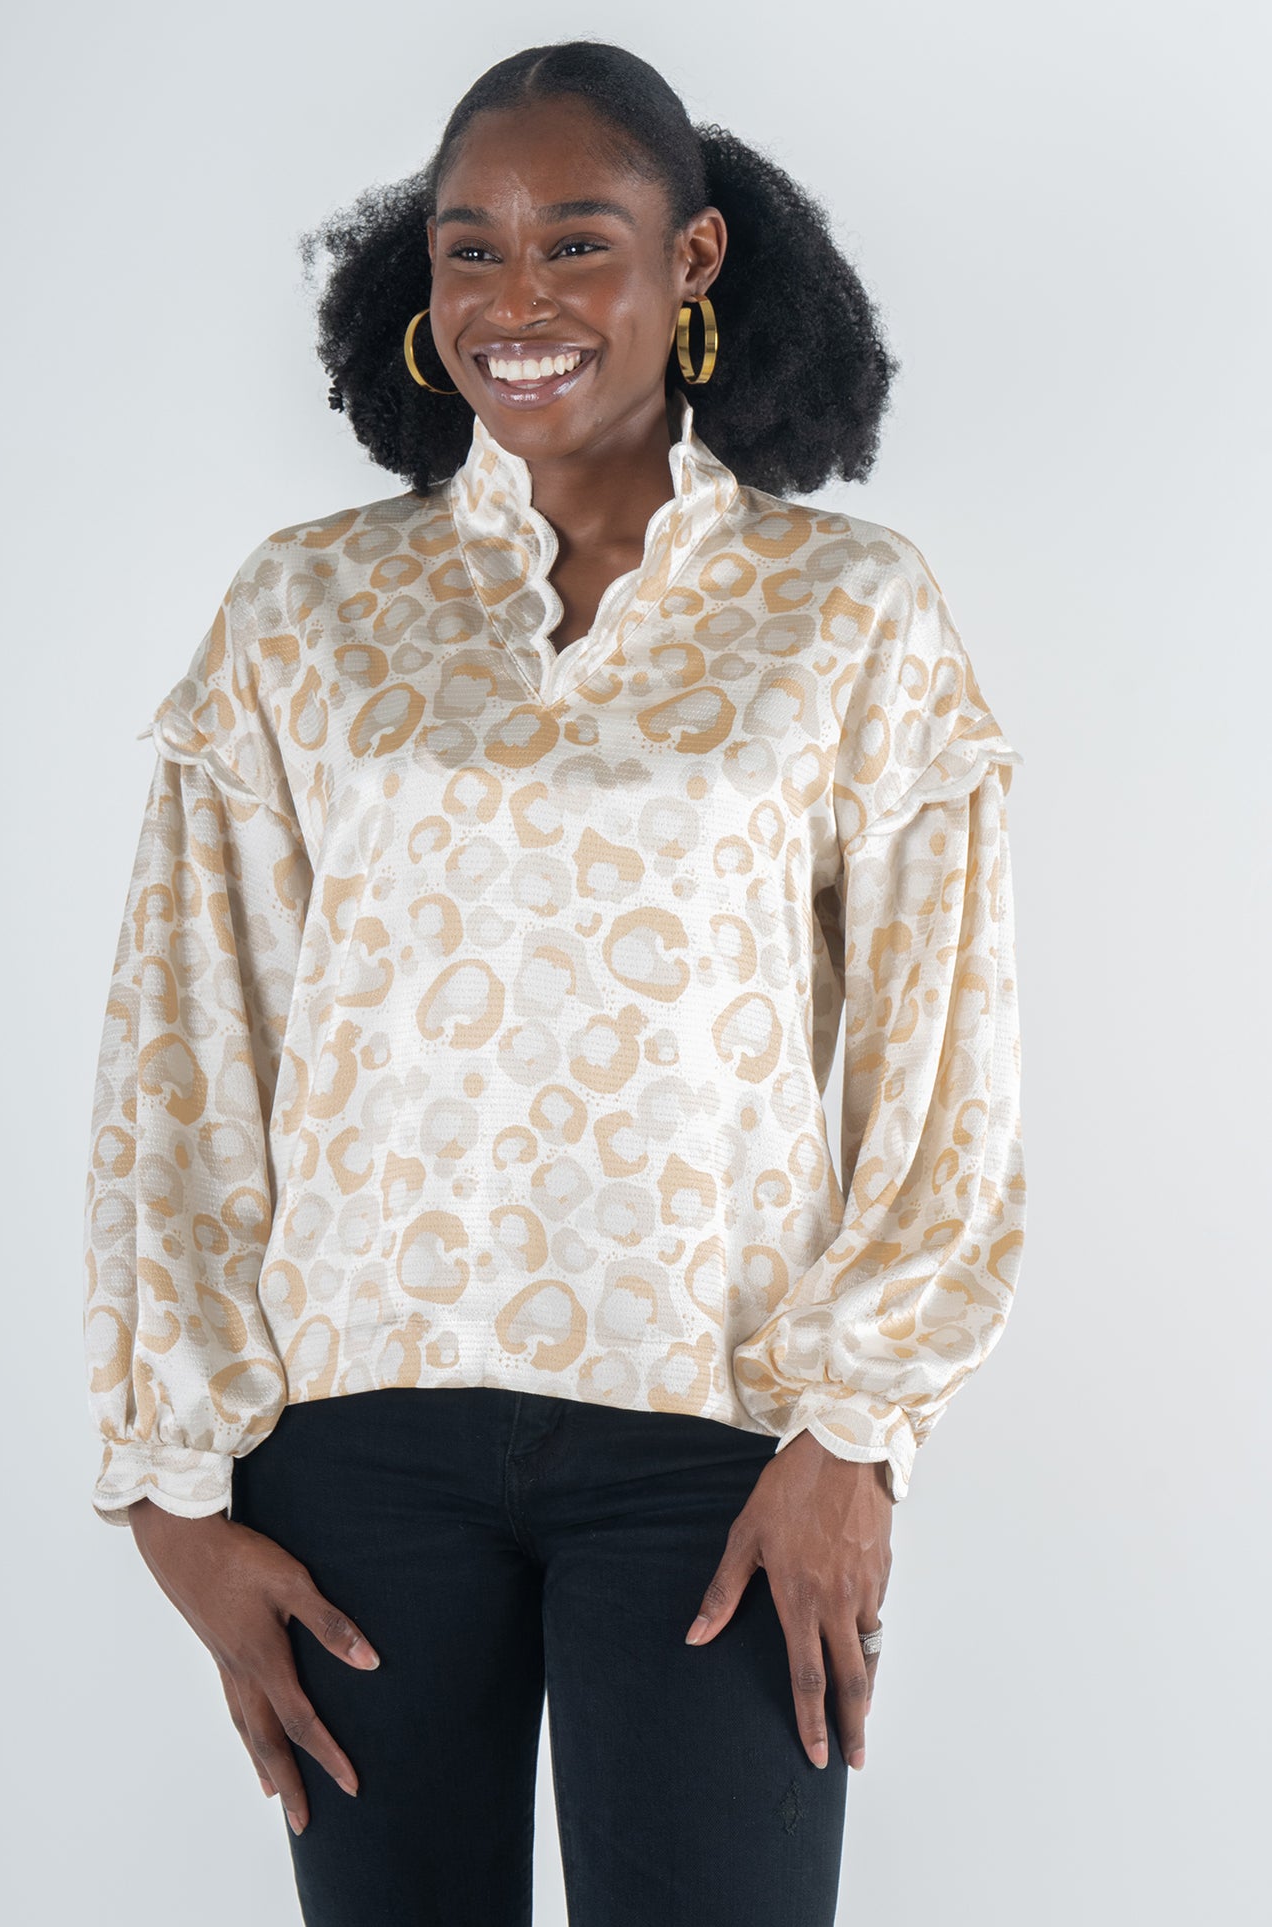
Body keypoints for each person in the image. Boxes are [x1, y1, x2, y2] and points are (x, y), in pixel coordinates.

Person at [81, 38, 1028, 1927]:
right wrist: (171, 1498)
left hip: (720, 1450)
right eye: (468, 251)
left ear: (692, 264)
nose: (514, 303)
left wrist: (854, 1437)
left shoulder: (845, 611)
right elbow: (188, 1042)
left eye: (573, 242)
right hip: (354, 1448)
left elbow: (939, 1058)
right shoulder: (308, 607)